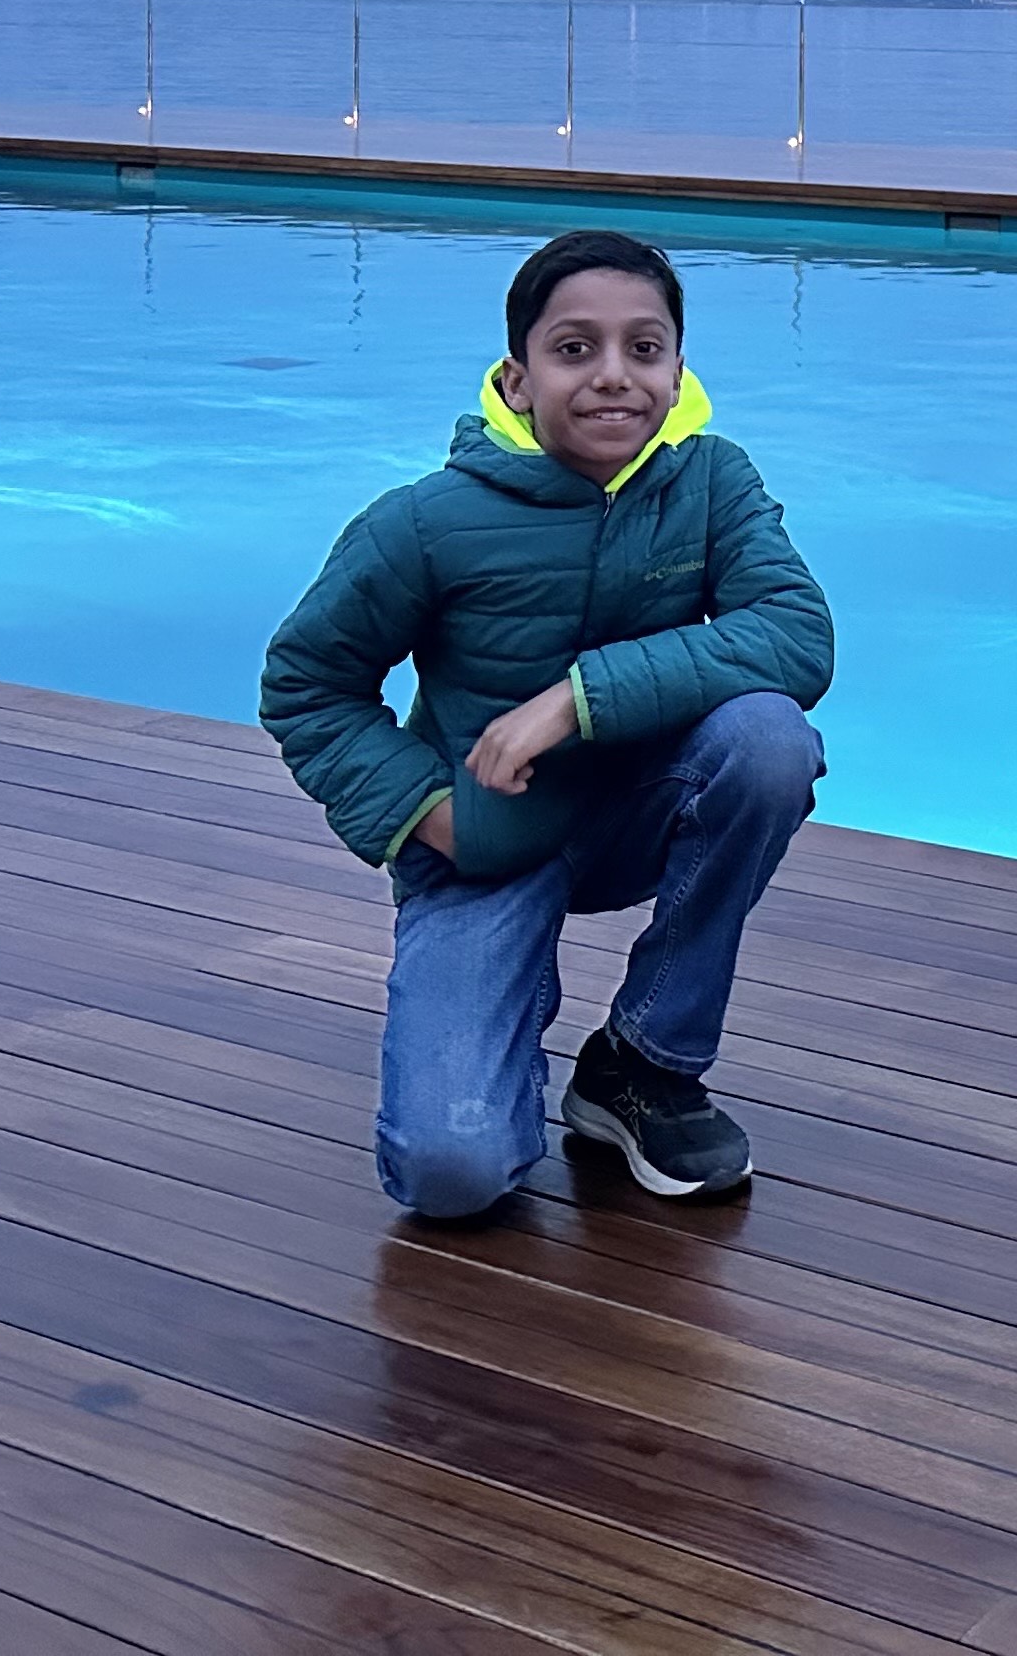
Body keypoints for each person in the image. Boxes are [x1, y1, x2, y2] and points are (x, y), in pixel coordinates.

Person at [259, 227, 832, 1211]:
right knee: (452, 1173)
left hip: (642, 806)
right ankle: (502, 1036)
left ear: (676, 371)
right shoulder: (425, 522)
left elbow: (795, 633)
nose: (614, 376)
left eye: (644, 349)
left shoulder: (710, 481)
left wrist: (575, 700)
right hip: (487, 841)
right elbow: (307, 682)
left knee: (768, 742)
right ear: (517, 379)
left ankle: (643, 1064)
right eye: (575, 349)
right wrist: (427, 813)